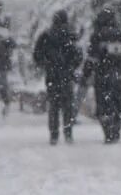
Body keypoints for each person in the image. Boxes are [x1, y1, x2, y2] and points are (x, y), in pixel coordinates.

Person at [84, 10, 121, 144]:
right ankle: (116, 129)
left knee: (103, 105)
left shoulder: (97, 36)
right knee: (118, 104)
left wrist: (85, 75)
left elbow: (91, 59)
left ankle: (108, 131)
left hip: (102, 77)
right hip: (119, 77)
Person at [30, 9, 83, 145]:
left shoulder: (46, 36)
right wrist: (71, 66)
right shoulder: (71, 36)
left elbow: (37, 55)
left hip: (52, 75)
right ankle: (68, 132)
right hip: (67, 75)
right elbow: (78, 55)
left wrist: (46, 64)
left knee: (53, 105)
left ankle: (54, 134)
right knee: (67, 106)